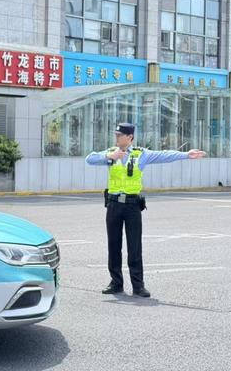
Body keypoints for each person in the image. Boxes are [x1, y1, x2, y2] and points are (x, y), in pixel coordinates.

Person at [86, 123, 207, 297]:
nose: (117, 138)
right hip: (113, 204)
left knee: (134, 246)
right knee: (114, 245)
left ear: (130, 137)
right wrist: (108, 155)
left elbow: (163, 155)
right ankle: (116, 283)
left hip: (132, 205)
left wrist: (186, 155)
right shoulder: (111, 152)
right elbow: (89, 159)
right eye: (116, 135)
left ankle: (138, 285)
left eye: (120, 135)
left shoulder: (140, 154)